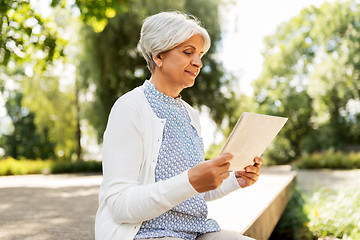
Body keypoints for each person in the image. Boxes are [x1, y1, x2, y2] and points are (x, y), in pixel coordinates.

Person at [95, 11, 263, 240]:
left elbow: (191, 193)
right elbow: (120, 204)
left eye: (200, 54)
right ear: (158, 56)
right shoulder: (130, 108)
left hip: (195, 231)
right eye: (188, 52)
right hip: (143, 232)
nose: (198, 62)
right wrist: (190, 180)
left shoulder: (190, 115)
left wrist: (235, 180)